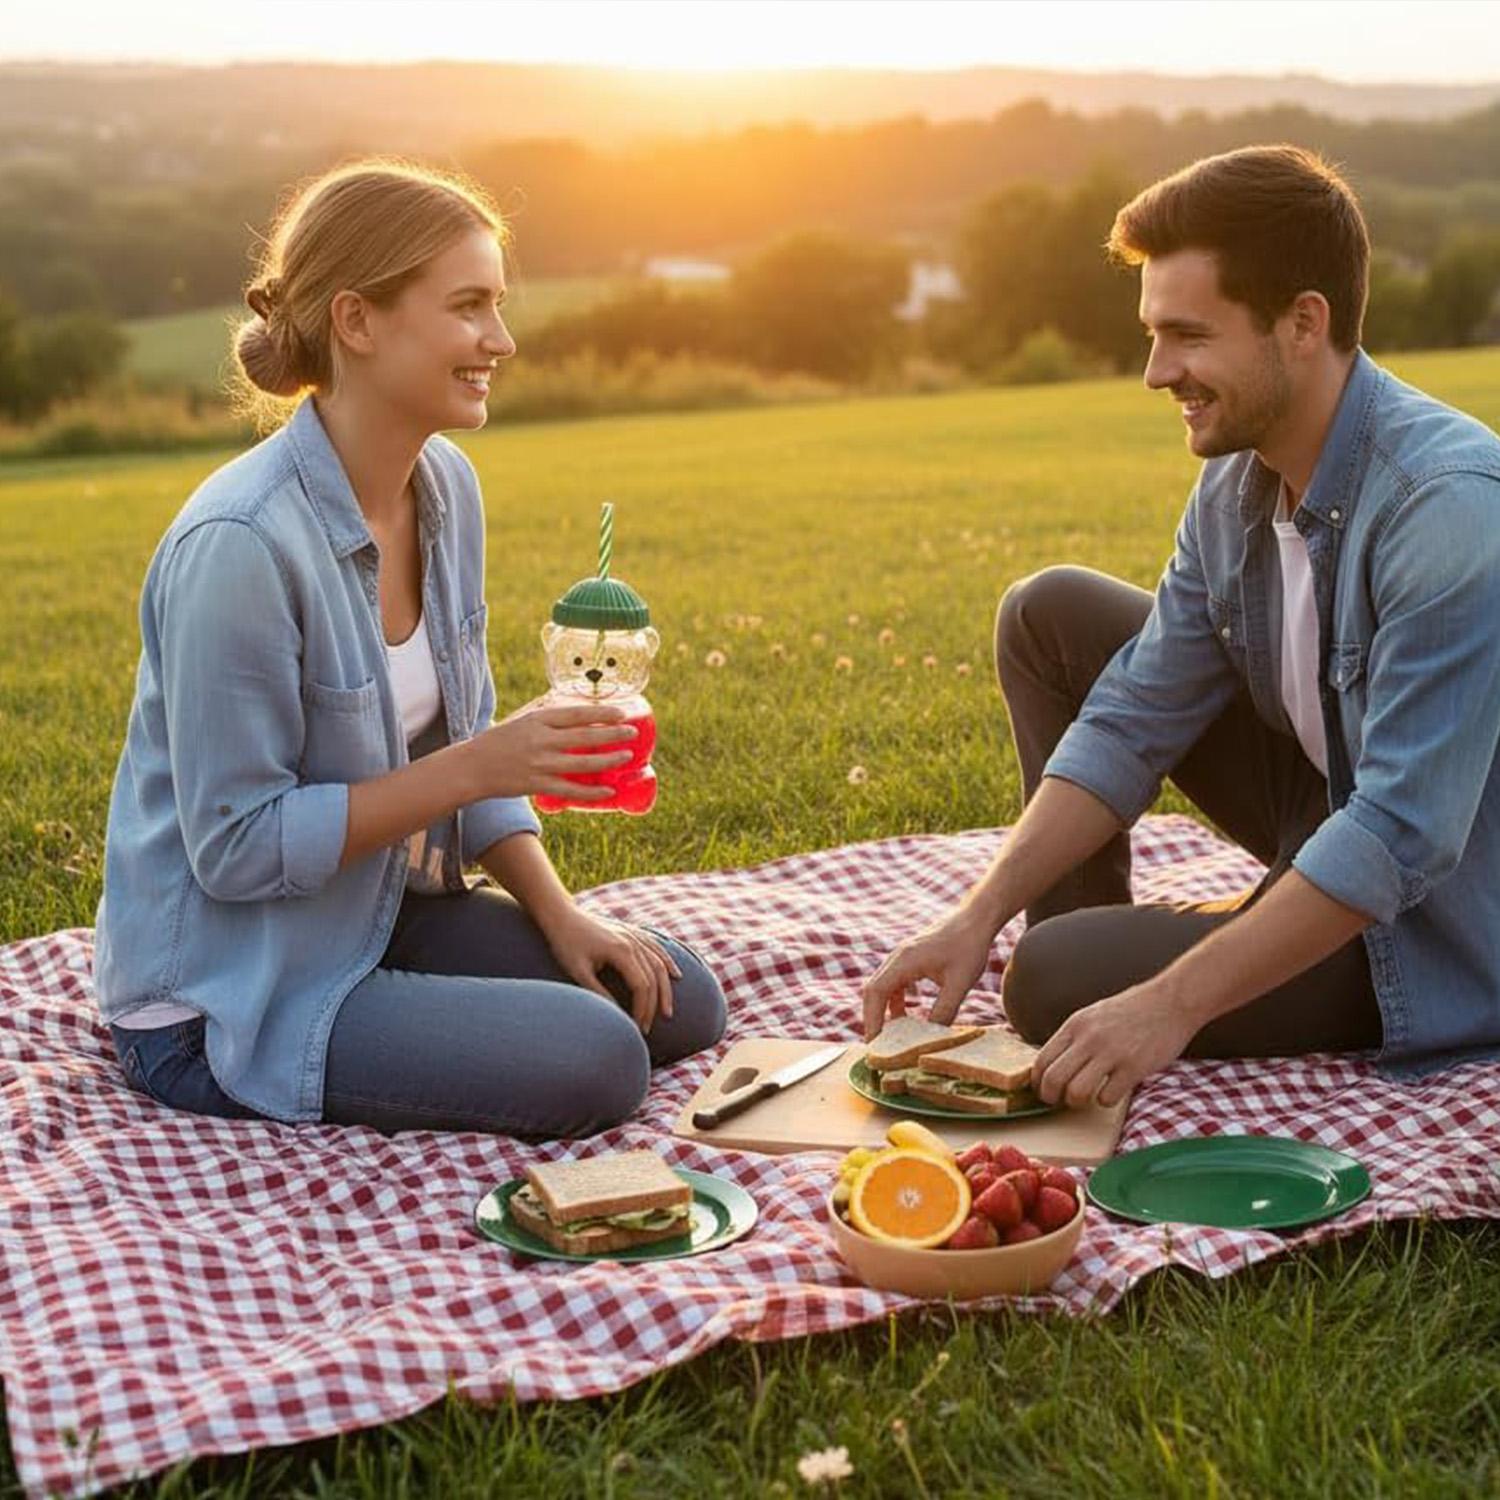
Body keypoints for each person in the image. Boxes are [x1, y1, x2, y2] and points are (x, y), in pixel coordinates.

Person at [93, 160, 725, 1136]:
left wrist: (562, 917)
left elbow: (468, 743)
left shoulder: (446, 488)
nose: (501, 340)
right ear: (357, 321)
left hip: (382, 907)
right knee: (597, 1055)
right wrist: (479, 765)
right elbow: (235, 848)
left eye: (499, 306)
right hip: (231, 988)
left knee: (680, 994)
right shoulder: (240, 546)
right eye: (468, 307)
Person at [863, 145, 1500, 1109]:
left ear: (1303, 324)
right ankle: (1084, 951)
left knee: (1051, 982)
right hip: (1325, 803)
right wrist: (976, 914)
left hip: (1431, 924)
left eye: (1188, 336)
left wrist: (1169, 1003)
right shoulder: (1234, 485)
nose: (1158, 372)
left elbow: (1401, 837)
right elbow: (1133, 714)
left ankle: (1092, 984)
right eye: (1153, 335)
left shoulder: (1444, 507)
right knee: (1054, 612)